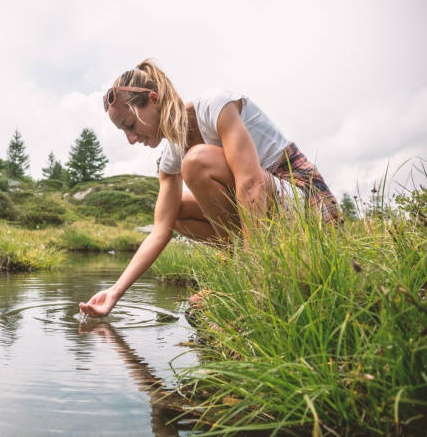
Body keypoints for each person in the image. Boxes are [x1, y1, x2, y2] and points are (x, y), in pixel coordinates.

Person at [79, 59, 341, 318]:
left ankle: (248, 275)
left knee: (196, 162)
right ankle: (247, 268)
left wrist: (249, 273)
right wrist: (115, 292)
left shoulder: (216, 106)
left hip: (310, 207)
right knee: (175, 212)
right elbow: (160, 229)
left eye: (131, 125)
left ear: (153, 99)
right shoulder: (171, 157)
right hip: (273, 215)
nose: (131, 139)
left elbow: (251, 184)